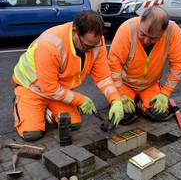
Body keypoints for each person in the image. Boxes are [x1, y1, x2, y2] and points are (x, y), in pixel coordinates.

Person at [12, 10, 124, 141]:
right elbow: (49, 88)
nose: (90, 50)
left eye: (94, 45)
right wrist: (80, 100)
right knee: (31, 134)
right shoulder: (50, 45)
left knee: (73, 124)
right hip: (32, 89)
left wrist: (115, 99)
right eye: (86, 45)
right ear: (75, 31)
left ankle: (47, 112)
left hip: (58, 91)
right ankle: (19, 102)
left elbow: (102, 77)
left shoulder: (95, 42)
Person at [108, 6, 181, 123]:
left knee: (158, 114)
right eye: (143, 34)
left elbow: (178, 65)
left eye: (153, 38)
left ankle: (140, 104)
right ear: (141, 21)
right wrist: (120, 93)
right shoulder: (127, 29)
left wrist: (165, 94)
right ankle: (132, 101)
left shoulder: (172, 32)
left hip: (150, 85)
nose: (146, 41)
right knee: (123, 116)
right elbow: (113, 64)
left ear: (163, 32)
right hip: (125, 84)